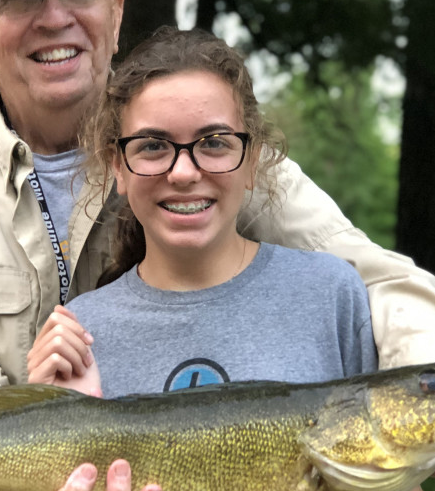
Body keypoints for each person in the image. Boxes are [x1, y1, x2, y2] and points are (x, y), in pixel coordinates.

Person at [0, 0, 435, 488]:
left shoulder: (219, 143)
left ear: (114, 9)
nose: (55, 17)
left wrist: (429, 412)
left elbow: (379, 281)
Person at [34, 27, 379, 403]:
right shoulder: (78, 334)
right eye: (153, 145)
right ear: (118, 167)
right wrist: (50, 414)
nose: (183, 173)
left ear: (251, 160)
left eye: (214, 142)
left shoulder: (330, 297)